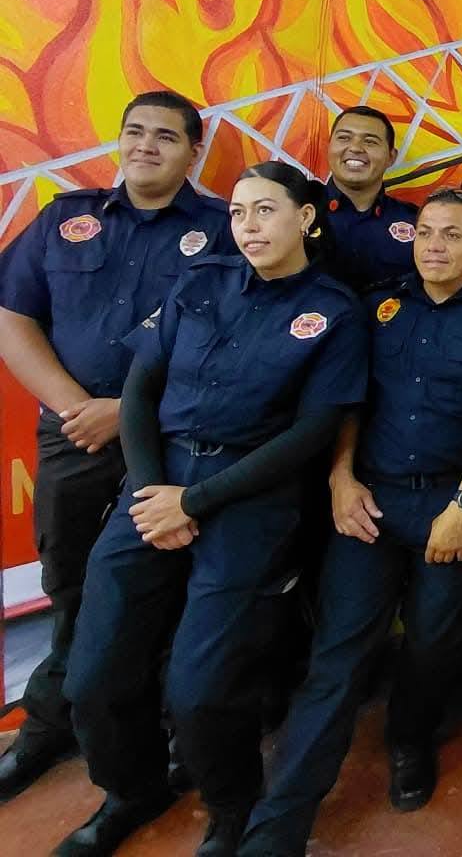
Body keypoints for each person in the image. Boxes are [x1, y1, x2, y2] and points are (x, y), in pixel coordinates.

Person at [55, 162, 367, 856]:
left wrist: (194, 502)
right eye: (238, 213)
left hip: (249, 500)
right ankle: (131, 790)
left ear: (305, 219)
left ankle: (230, 804)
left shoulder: (335, 313)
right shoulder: (199, 283)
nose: (248, 226)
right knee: (94, 674)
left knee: (202, 688)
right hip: (153, 485)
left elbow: (312, 434)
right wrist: (151, 494)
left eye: (265, 210)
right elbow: (140, 394)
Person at [236, 190, 462, 856]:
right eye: (425, 232)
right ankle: (278, 826)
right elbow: (349, 402)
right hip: (370, 500)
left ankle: (408, 739)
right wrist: (341, 479)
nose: (434, 246)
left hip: (451, 506)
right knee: (338, 654)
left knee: (432, 643)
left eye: (451, 235)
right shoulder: (377, 306)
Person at [0, 91, 231, 805]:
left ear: (193, 152)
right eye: (135, 131)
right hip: (73, 431)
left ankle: (156, 732)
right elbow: (12, 316)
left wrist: (125, 412)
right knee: (70, 580)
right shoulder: (63, 219)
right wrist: (78, 408)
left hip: (169, 437)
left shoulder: (225, 230)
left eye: (166, 136)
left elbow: (231, 341)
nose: (146, 146)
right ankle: (55, 723)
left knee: (163, 584)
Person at [323, 106, 418, 291]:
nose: (355, 148)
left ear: (391, 157)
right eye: (344, 138)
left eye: (370, 141)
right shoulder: (296, 213)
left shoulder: (417, 222)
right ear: (329, 147)